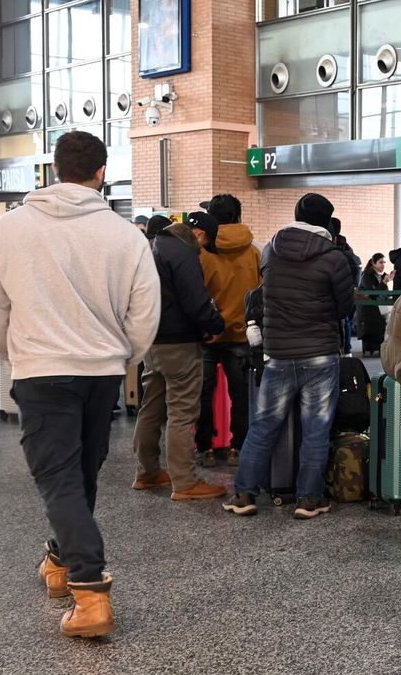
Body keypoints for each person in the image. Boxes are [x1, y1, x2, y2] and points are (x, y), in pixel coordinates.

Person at [0, 130, 160, 638]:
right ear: (102, 173)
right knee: (81, 471)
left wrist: (15, 354)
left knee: (59, 476)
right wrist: (124, 356)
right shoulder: (125, 235)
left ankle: (90, 589)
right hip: (101, 371)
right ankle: (59, 558)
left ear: (54, 169)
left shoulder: (10, 228)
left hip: (41, 369)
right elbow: (145, 310)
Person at [223, 193, 356, 519]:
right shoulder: (334, 258)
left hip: (278, 353)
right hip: (320, 354)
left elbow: (263, 293)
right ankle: (309, 499)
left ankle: (244, 494)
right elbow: (345, 308)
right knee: (316, 430)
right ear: (327, 221)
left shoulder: (272, 249)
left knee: (263, 425)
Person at [131, 215, 226, 501]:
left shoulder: (151, 245)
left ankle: (147, 472)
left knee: (151, 408)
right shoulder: (182, 252)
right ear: (199, 234)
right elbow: (195, 300)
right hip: (179, 343)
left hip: (152, 340)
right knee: (182, 412)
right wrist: (215, 325)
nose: (203, 249)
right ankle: (185, 482)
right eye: (205, 243)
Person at [190, 199, 259, 468]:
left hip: (208, 334)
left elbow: (195, 291)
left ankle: (205, 448)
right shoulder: (254, 251)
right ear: (238, 215)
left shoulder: (201, 251)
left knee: (203, 394)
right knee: (241, 394)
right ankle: (238, 448)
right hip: (242, 335)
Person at [357, 253, 391, 356]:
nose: (383, 265)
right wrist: (384, 283)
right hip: (369, 308)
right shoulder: (367, 275)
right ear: (374, 263)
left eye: (384, 262)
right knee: (383, 319)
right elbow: (373, 293)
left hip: (379, 306)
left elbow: (383, 293)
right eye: (380, 262)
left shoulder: (381, 275)